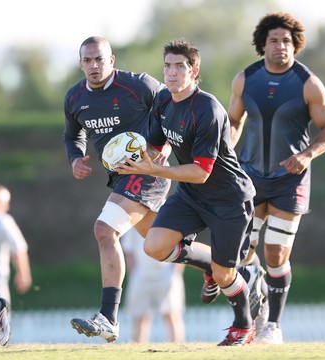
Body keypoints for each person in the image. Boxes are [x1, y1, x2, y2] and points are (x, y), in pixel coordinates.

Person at [64, 36, 213, 343]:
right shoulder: (74, 97)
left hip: (147, 172)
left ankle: (108, 317)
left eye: (99, 59)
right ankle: (217, 262)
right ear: (81, 64)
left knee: (104, 230)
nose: (94, 66)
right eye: (87, 61)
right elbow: (72, 134)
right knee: (158, 245)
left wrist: (167, 145)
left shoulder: (139, 85)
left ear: (112, 60)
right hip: (120, 178)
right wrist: (75, 158)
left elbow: (175, 104)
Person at [116, 38, 258, 346]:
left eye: (180, 67)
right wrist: (130, 158)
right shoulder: (164, 101)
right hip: (193, 195)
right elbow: (154, 146)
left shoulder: (208, 109)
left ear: (194, 71)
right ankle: (209, 264)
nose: (172, 73)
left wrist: (154, 169)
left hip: (228, 198)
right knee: (153, 246)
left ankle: (243, 325)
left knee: (225, 276)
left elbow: (201, 172)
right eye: (167, 66)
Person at [226, 12, 325, 344]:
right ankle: (256, 311)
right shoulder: (244, 79)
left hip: (290, 180)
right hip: (249, 177)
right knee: (243, 251)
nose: (281, 47)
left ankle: (273, 325)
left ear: (296, 46)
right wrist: (227, 149)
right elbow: (233, 122)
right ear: (263, 44)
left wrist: (306, 156)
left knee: (275, 254)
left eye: (287, 41)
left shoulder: (308, 83)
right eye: (274, 41)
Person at [121, 227, 185, 343]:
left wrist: (175, 272)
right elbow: (129, 250)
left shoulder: (169, 220)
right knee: (140, 315)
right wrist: (134, 273)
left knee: (171, 313)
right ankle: (138, 348)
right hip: (141, 274)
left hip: (167, 273)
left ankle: (177, 347)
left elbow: (182, 246)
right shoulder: (135, 225)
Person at [0, 183, 32, 346]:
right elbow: (19, 249)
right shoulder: (3, 220)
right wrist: (24, 274)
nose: (7, 206)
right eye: (5, 202)